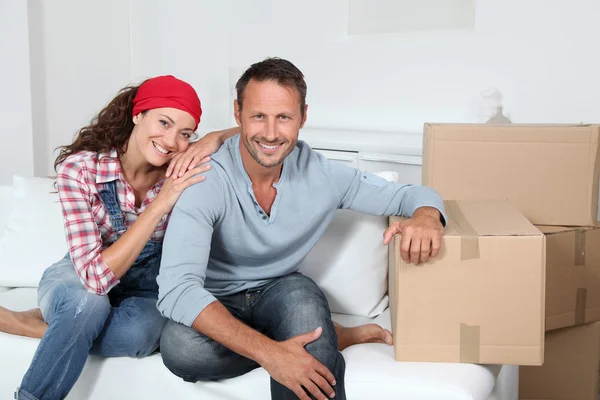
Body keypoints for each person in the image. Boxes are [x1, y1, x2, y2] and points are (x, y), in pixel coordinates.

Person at [156, 58, 447, 400]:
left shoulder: (321, 175)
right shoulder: (204, 179)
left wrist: (427, 216)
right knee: (181, 349)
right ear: (238, 114)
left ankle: (315, 337)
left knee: (306, 313)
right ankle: (327, 336)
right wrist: (272, 354)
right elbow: (176, 290)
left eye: (284, 117)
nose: (270, 133)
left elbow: (410, 195)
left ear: (303, 117)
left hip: (282, 290)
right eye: (258, 116)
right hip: (216, 296)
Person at [0, 75, 232, 400]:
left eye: (185, 134)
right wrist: (163, 200)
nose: (170, 141)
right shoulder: (80, 170)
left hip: (148, 287)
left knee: (141, 336)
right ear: (138, 115)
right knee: (87, 304)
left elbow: (257, 132)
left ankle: (34, 326)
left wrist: (213, 137)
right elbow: (94, 279)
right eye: (163, 122)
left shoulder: (183, 163)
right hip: (80, 277)